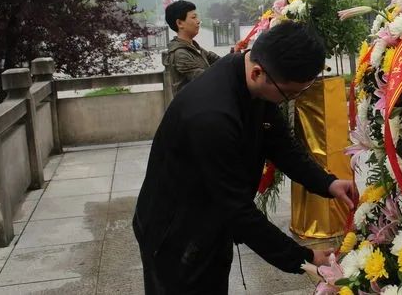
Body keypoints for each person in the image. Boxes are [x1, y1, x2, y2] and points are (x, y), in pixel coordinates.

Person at [133, 21, 356, 294]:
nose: (289, 100)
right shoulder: (212, 117)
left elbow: (282, 146)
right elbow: (237, 210)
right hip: (176, 235)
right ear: (258, 73)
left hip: (211, 219)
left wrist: (327, 183)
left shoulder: (254, 79)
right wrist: (303, 258)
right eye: (289, 94)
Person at [163, 0, 220, 95]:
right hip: (193, 104)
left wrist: (234, 51)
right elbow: (206, 79)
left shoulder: (194, 47)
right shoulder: (180, 54)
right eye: (193, 17)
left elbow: (218, 61)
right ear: (180, 23)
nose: (198, 21)